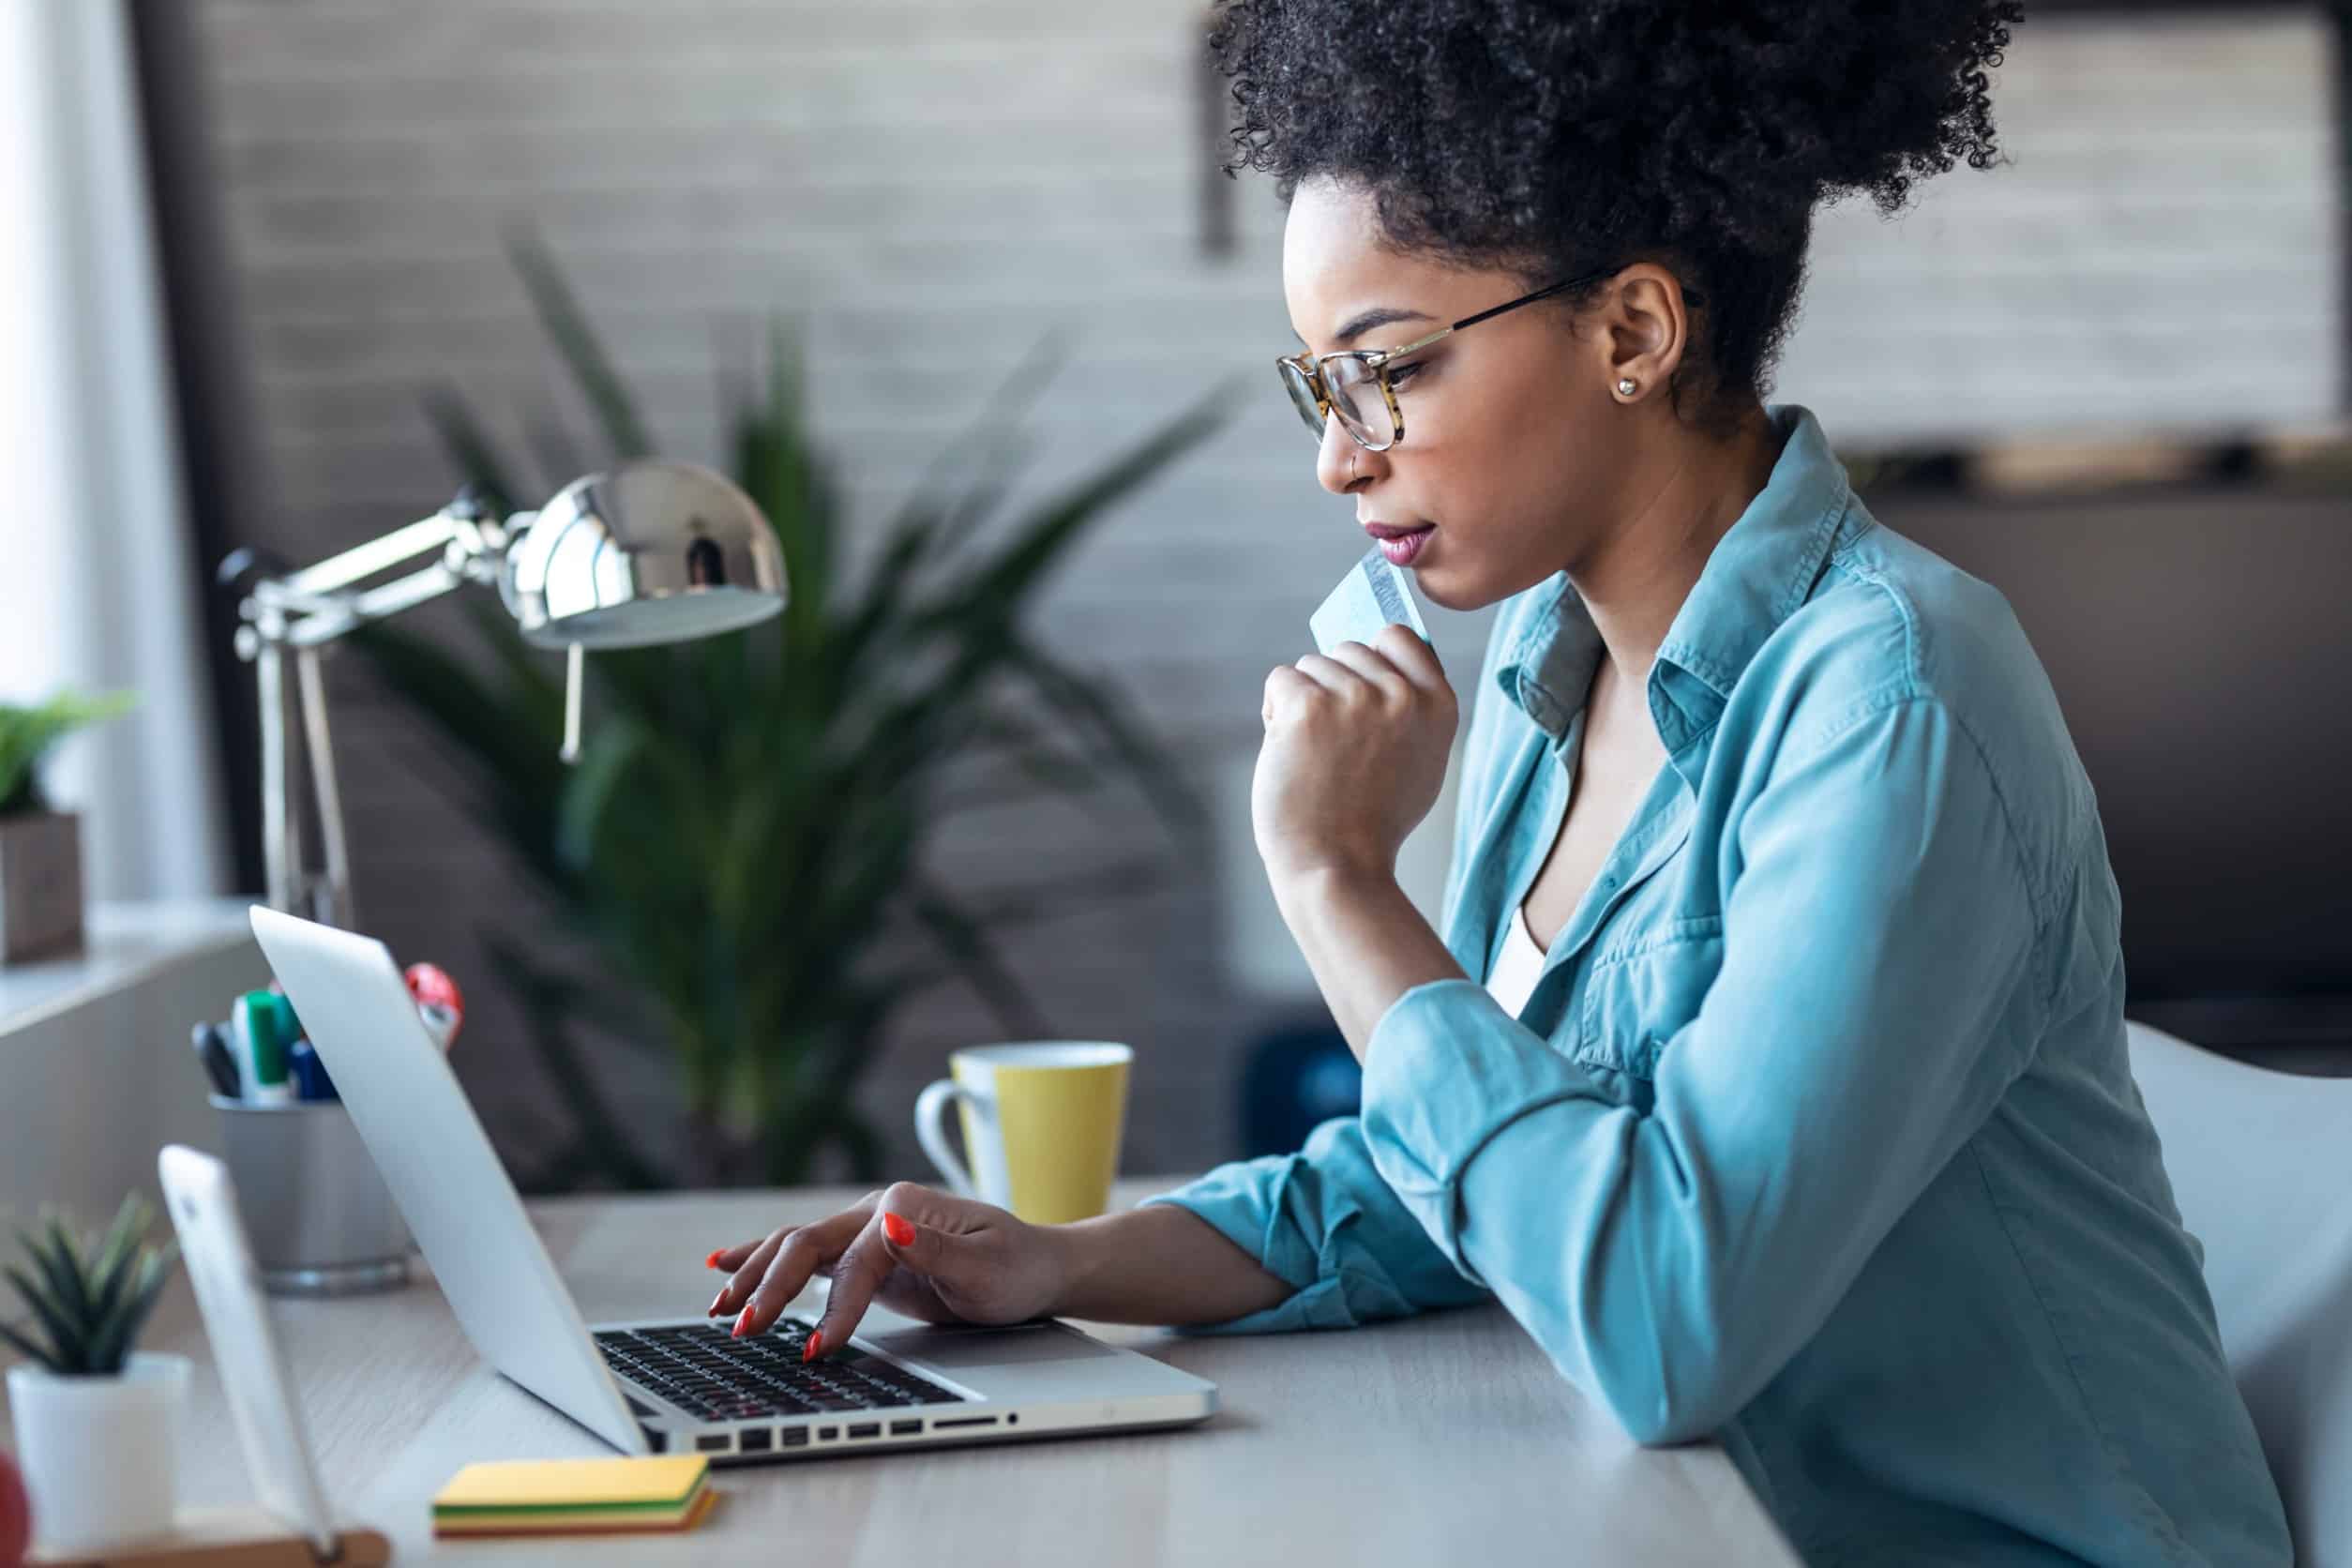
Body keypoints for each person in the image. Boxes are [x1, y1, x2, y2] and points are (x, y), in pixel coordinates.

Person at [704, 2, 2294, 1560]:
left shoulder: (1894, 702)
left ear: (1633, 333)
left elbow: (1664, 1323)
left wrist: (1337, 882)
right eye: (1319, 384)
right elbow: (1463, 1177)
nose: (1339, 453)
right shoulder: (1552, 668)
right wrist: (1059, 1260)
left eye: (1385, 369)